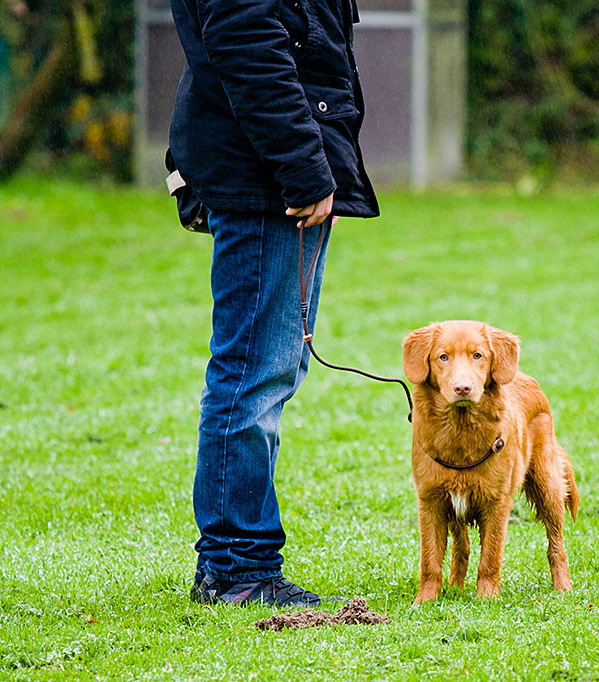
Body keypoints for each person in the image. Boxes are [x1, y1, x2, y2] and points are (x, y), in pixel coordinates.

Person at [167, 0, 379, 607]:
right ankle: (239, 569)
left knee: (268, 367)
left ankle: (234, 561)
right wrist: (305, 170)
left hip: (266, 173)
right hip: (264, 179)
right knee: (253, 375)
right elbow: (250, 51)